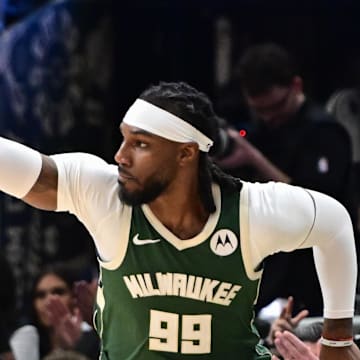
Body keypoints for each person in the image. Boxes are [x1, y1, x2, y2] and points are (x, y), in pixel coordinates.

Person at [0, 80, 358, 359]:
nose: (120, 155)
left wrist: (338, 339)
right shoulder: (105, 193)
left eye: (140, 144)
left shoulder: (251, 209)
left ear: (186, 153)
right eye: (124, 138)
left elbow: (335, 224)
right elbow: (36, 176)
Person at [216, 42, 355, 316]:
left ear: (296, 86)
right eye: (260, 110)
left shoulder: (325, 132)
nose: (269, 116)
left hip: (311, 268)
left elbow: (318, 206)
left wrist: (254, 159)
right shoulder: (258, 129)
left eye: (276, 106)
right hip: (266, 261)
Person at [10, 264, 99, 360]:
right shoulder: (25, 340)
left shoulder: (95, 338)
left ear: (74, 298)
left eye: (58, 292)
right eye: (41, 295)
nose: (49, 300)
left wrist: (80, 344)